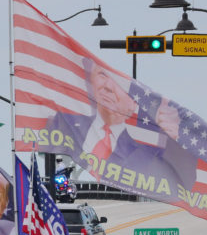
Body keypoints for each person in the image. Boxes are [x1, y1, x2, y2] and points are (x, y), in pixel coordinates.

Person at [46, 60, 196, 188]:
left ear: (134, 104)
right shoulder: (65, 123)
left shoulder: (147, 149)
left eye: (121, 87)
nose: (108, 87)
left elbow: (185, 182)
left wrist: (175, 141)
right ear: (91, 84)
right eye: (102, 75)